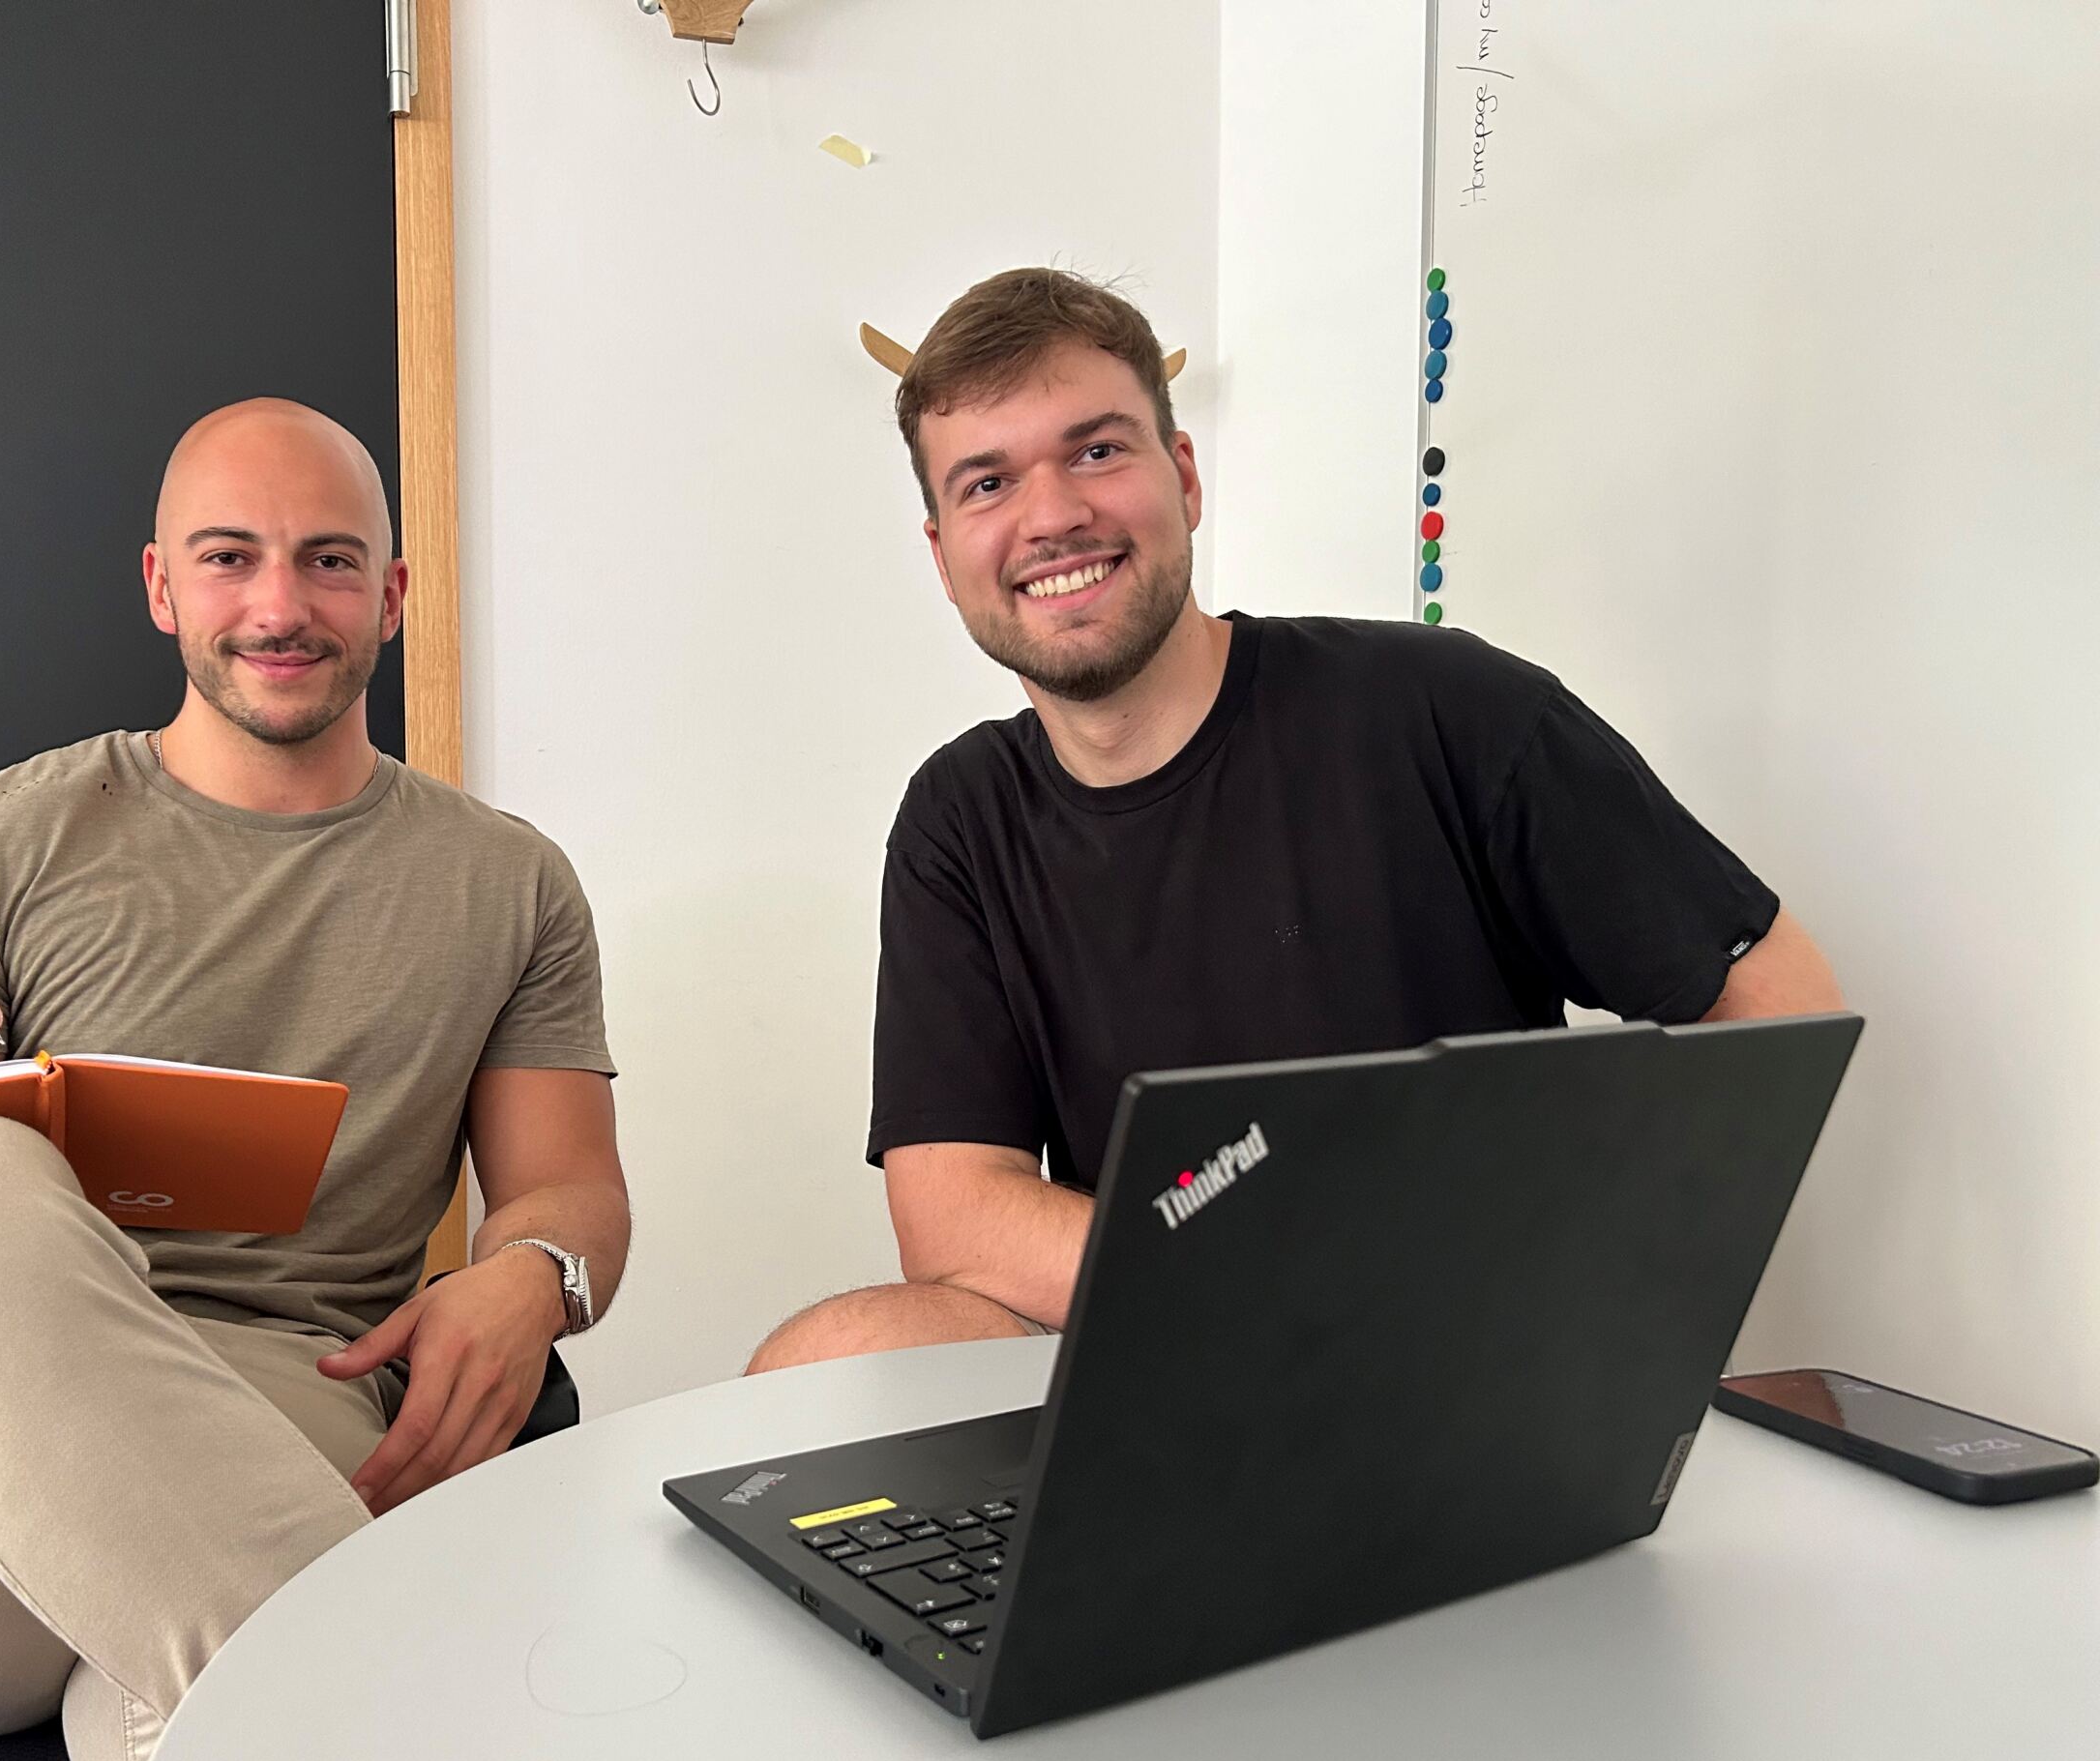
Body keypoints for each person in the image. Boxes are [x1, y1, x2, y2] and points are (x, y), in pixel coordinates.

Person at [0, 398, 629, 1761]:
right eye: (229, 558)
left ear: (390, 596)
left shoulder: (509, 885)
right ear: (160, 588)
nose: (278, 605)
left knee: (200, 1697)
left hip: (275, 1430)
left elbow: (568, 1193)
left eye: (327, 562)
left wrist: (534, 1278)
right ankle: (457, 1755)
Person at [748, 269, 1843, 1371]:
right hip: (1178, 1336)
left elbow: (1775, 1003)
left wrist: (1586, 1284)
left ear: (1182, 477)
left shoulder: (1443, 708)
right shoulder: (960, 817)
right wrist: (1297, 1290)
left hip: (1472, 1359)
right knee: (828, 1352)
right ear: (942, 556)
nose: (1052, 516)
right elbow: (955, 1222)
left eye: (1096, 451)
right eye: (987, 483)